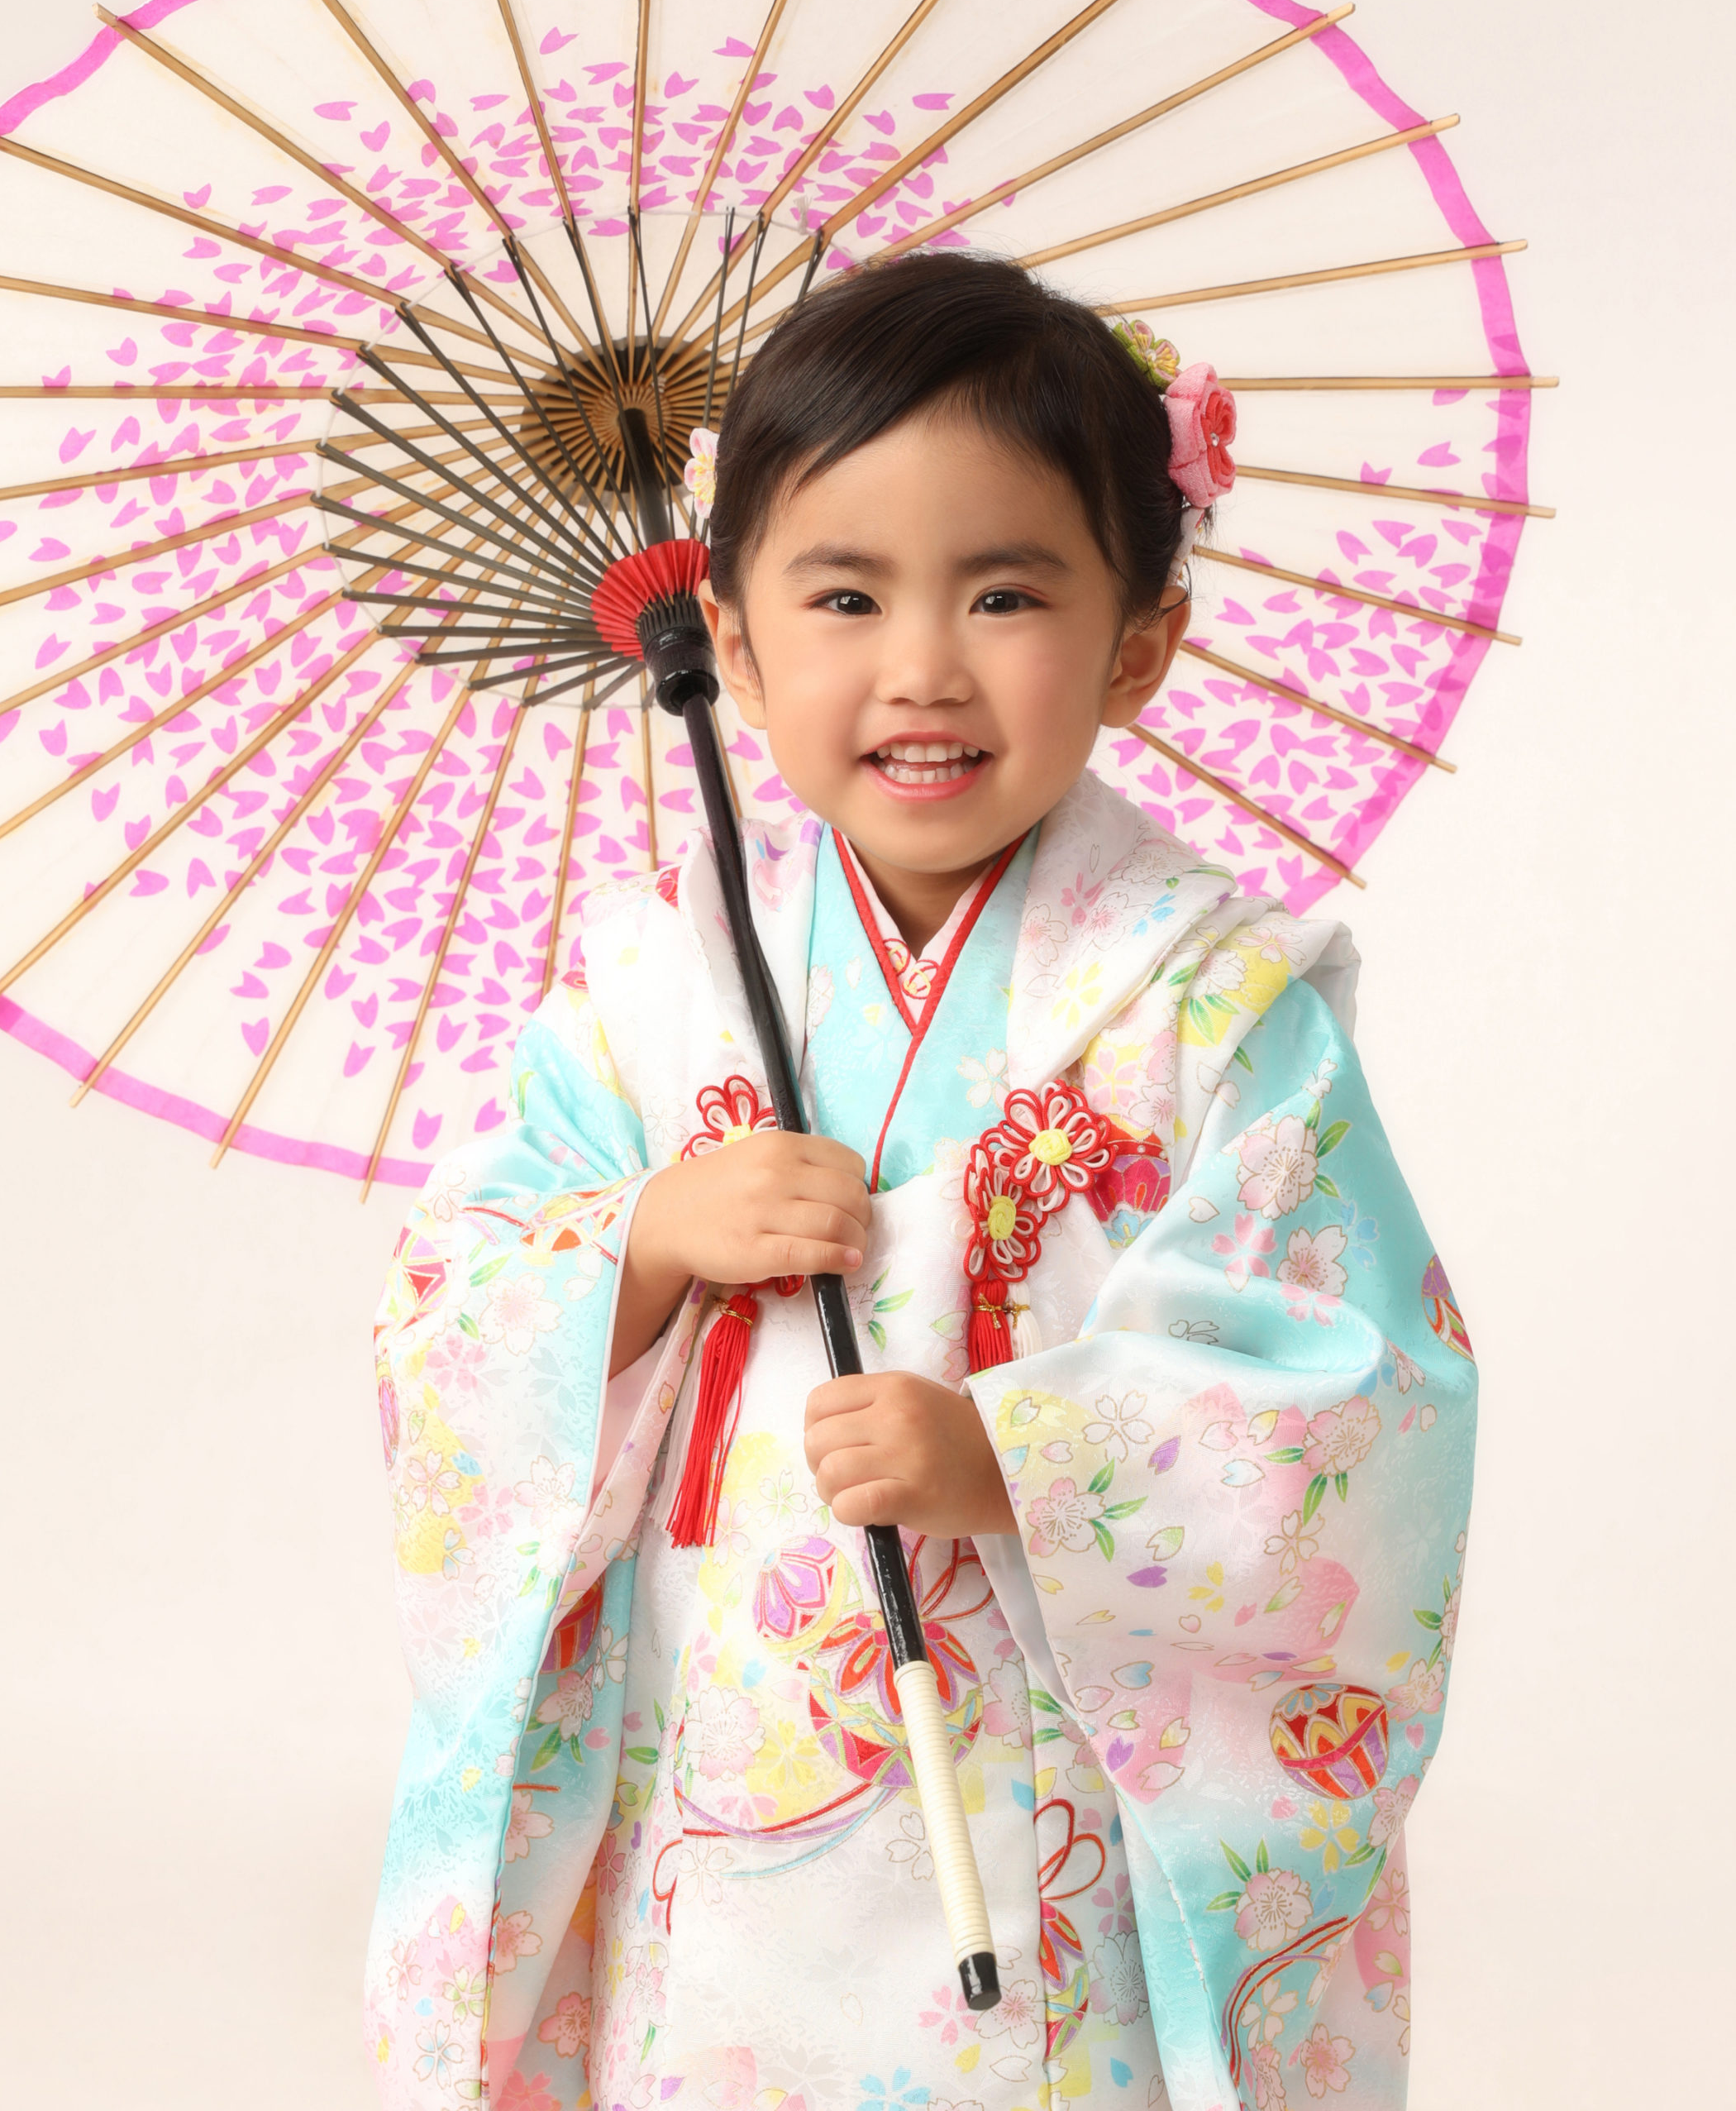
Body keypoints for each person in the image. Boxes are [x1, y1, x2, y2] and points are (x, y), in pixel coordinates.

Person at [365, 252, 1476, 2111]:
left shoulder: (1214, 1002)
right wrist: (643, 1241)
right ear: (728, 639)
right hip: (718, 1771)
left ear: (1138, 641)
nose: (921, 667)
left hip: (1054, 1791)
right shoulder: (649, 994)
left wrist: (1016, 1457)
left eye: (1005, 590)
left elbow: (1356, 1393)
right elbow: (446, 1307)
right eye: (845, 591)